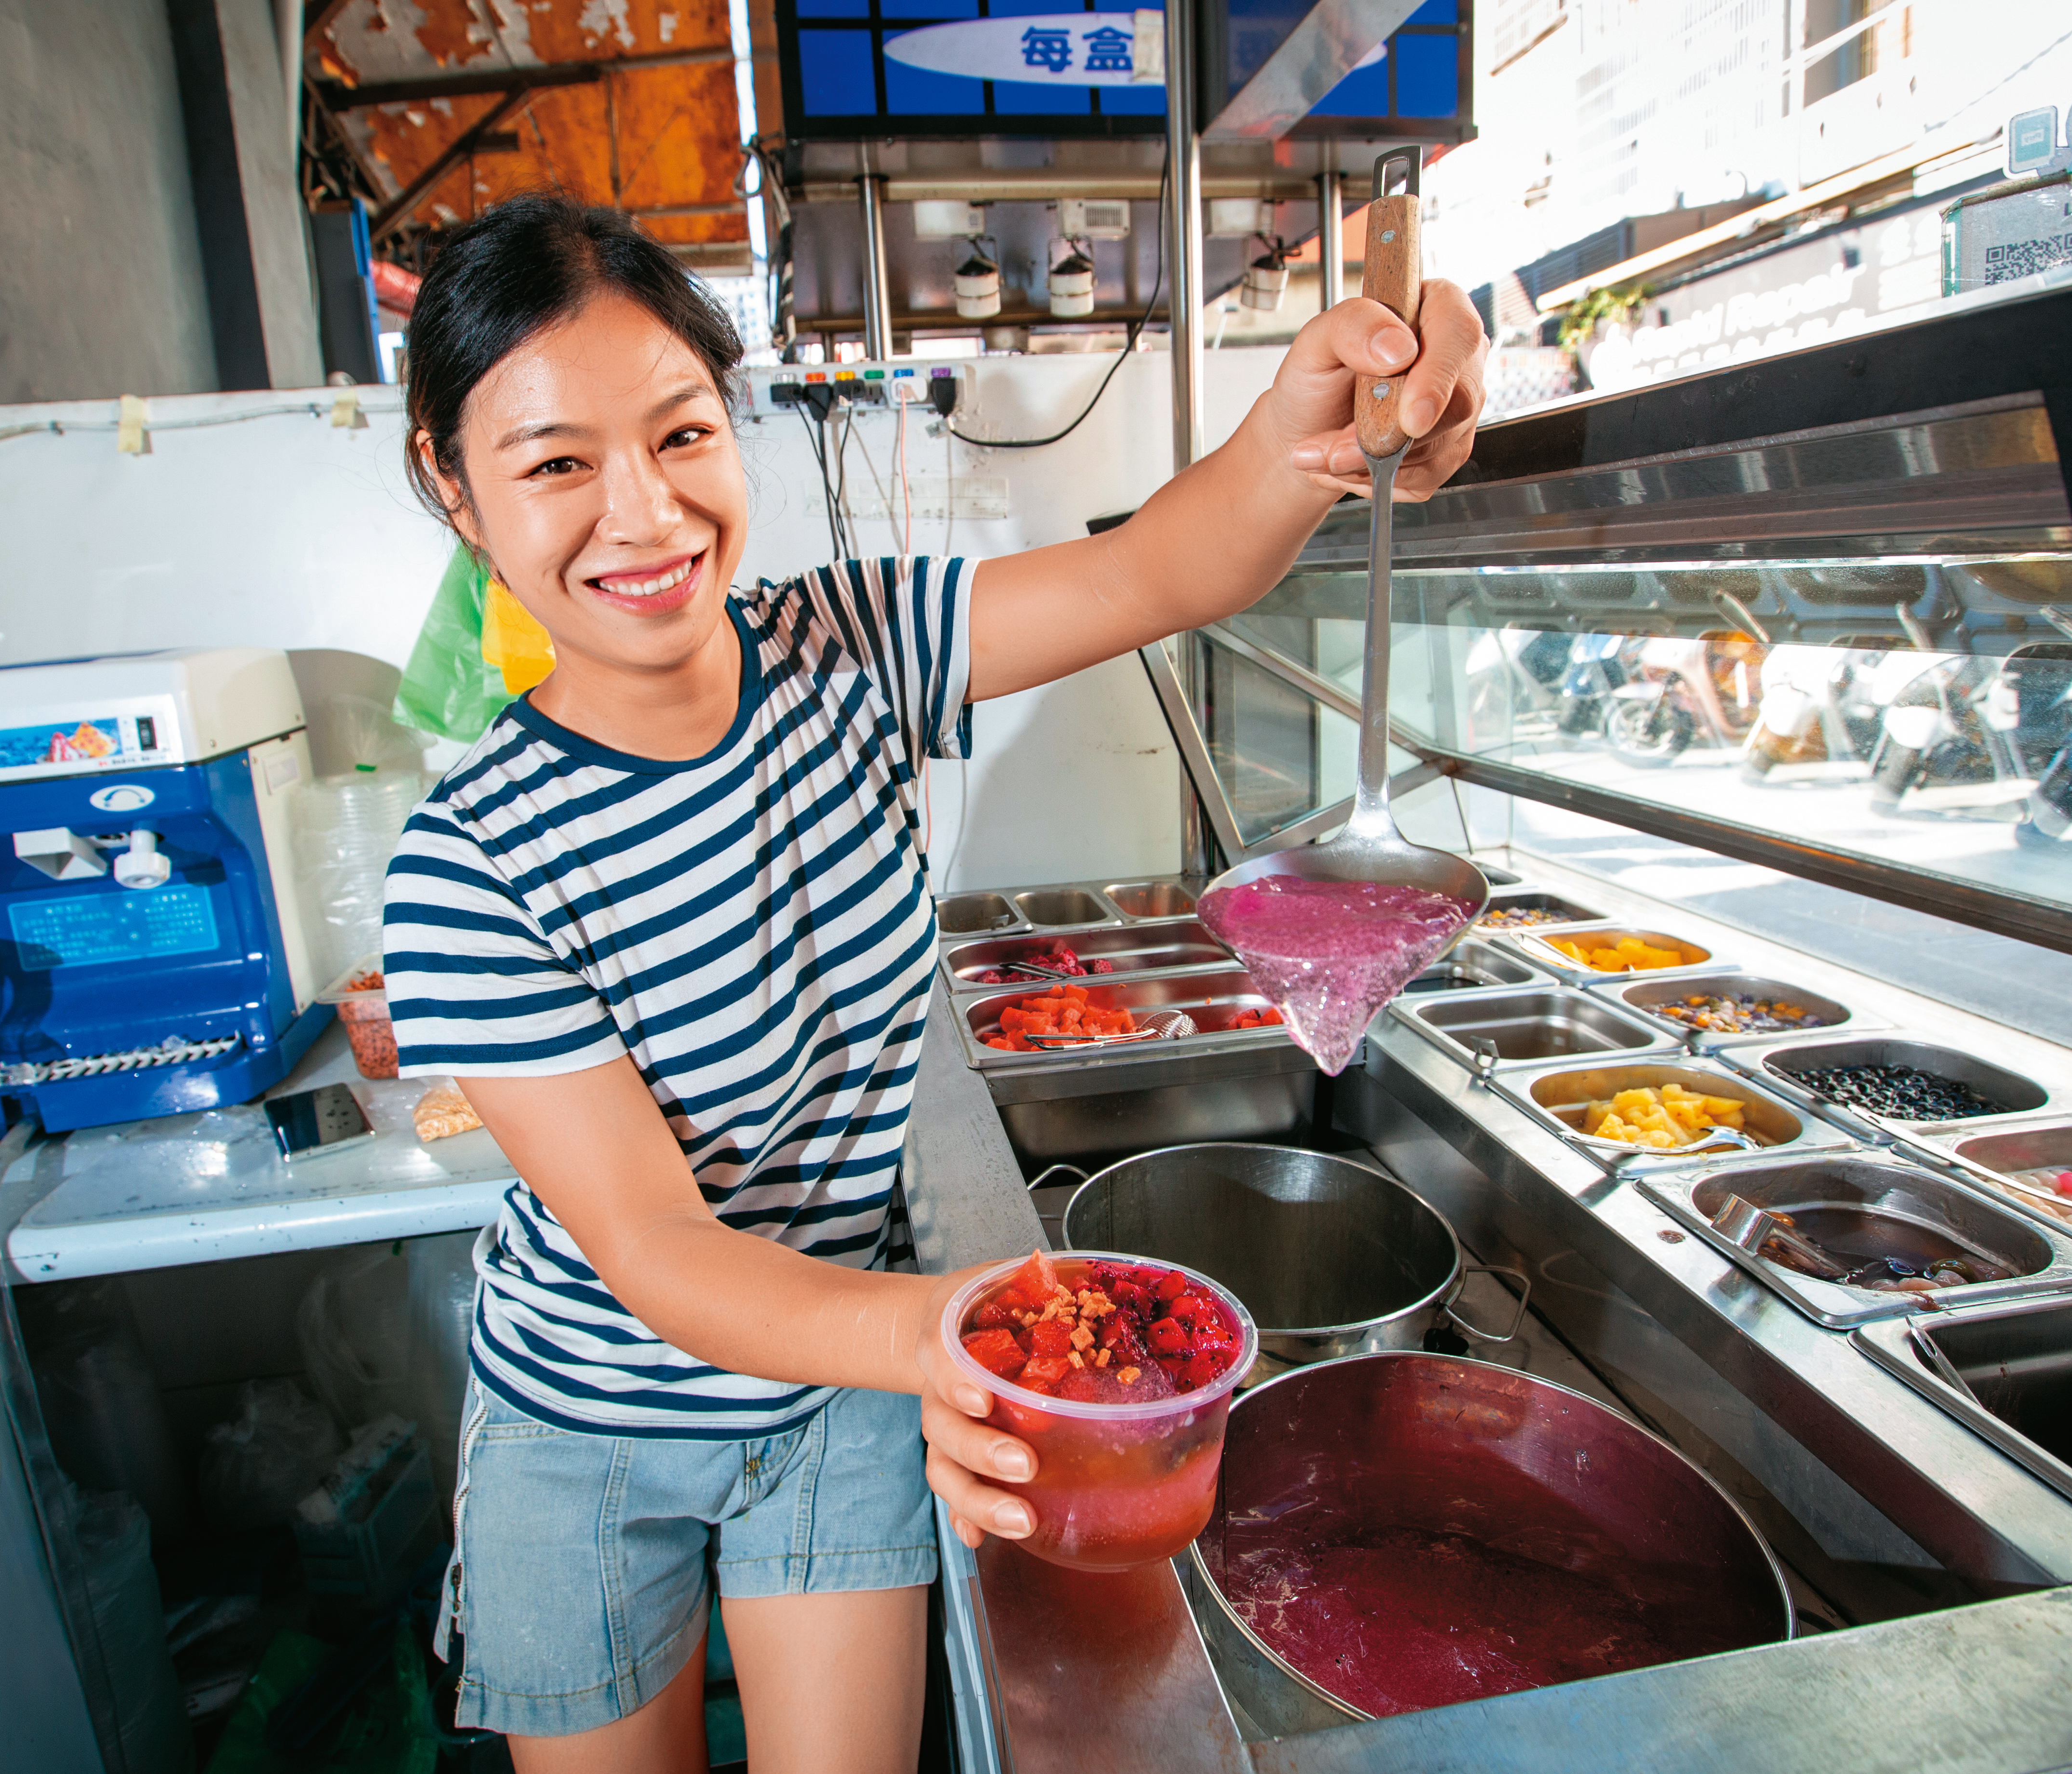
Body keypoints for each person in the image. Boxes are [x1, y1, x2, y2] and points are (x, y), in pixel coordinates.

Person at [382, 194, 1486, 1773]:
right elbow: (657, 1252)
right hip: (594, 1416)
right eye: (557, 463)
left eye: (683, 436)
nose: (643, 516)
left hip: (838, 1368)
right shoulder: (469, 865)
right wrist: (979, 1327)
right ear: (455, 484)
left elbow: (1168, 569)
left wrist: (1311, 420)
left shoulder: (849, 646)